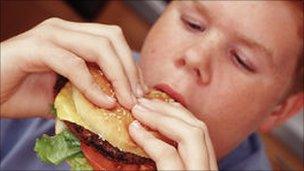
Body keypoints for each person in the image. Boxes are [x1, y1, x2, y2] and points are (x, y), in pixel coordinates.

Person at [1, 1, 303, 170]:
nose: (195, 56)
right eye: (192, 23)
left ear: (279, 110)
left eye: (242, 59)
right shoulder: (61, 75)